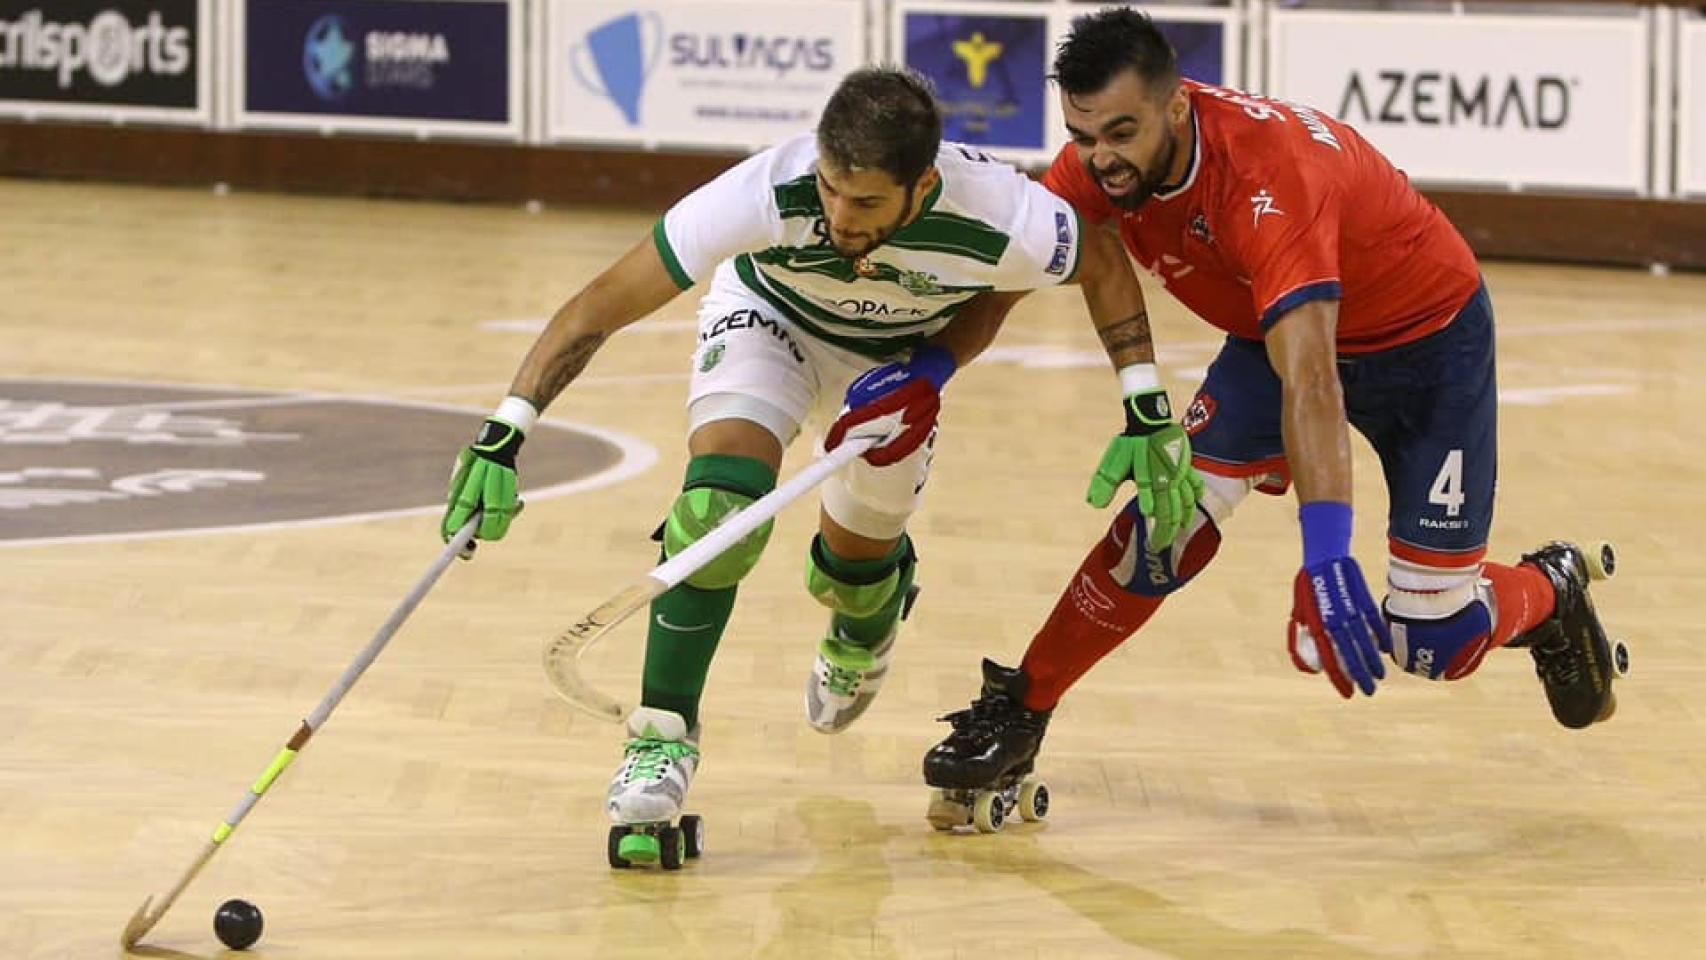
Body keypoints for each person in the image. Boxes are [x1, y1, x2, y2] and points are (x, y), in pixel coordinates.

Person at [440, 66, 1158, 864]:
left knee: (854, 567)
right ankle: (663, 739)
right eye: (829, 191)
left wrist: (1141, 400)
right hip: (767, 322)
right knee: (715, 509)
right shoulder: (762, 192)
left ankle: (866, 618)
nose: (839, 219)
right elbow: (601, 301)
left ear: (923, 187)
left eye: (867, 204)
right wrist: (507, 429)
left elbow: (1100, 262)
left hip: (894, 365)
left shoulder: (1007, 216)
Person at [922, 8, 1626, 802]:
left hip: (1428, 348)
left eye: (1121, 133)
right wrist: (930, 371)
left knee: (1435, 639)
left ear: (1177, 107)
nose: (1101, 158)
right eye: (1084, 136)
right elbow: (1020, 268)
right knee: (1164, 521)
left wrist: (1325, 554)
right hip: (1272, 340)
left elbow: (1315, 380)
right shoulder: (1096, 166)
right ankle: (1022, 708)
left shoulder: (1267, 178)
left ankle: (1549, 590)